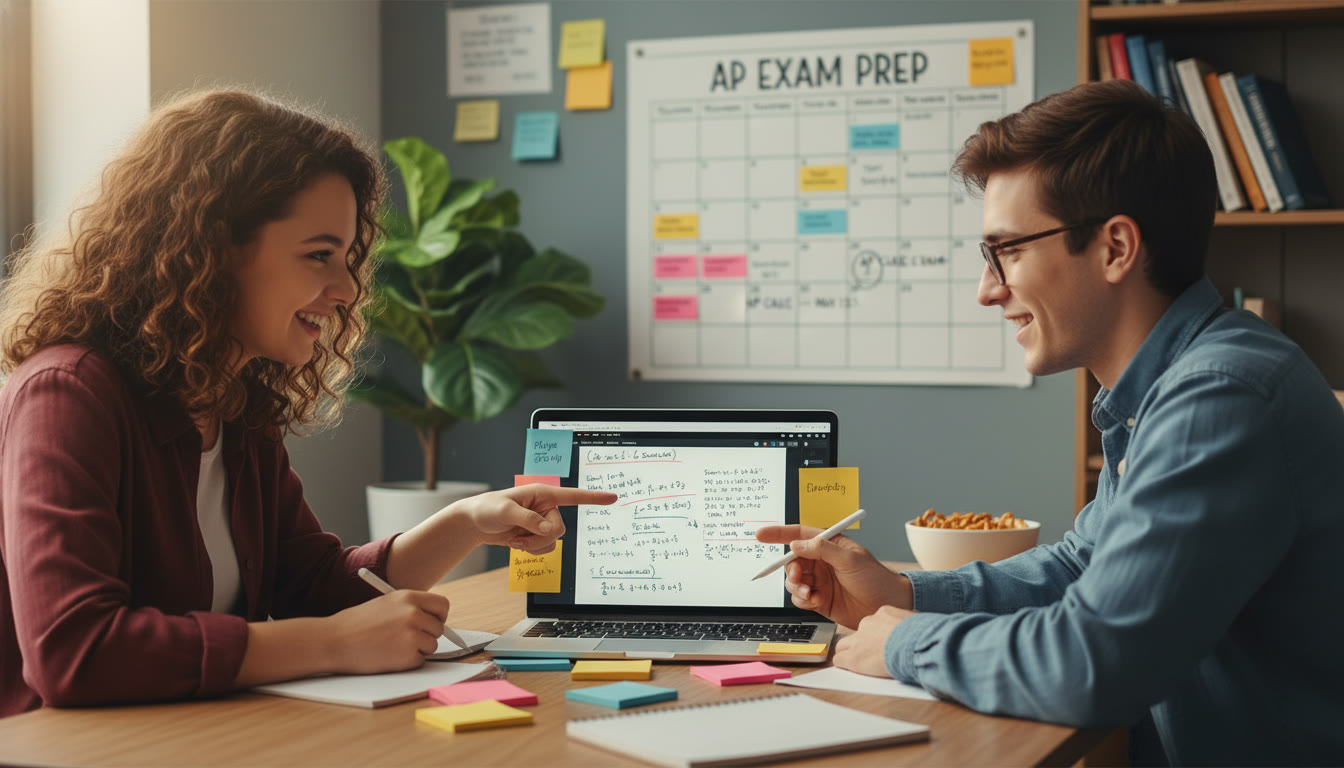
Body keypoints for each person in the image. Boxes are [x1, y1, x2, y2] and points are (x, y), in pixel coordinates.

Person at [757, 80, 1344, 765]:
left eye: (1005, 250)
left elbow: (1093, 661)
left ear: (1116, 247)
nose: (987, 289)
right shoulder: (1176, 383)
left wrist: (902, 641)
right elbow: (1080, 567)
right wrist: (903, 592)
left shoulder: (1219, 397)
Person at [0, 89, 615, 717]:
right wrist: (330, 643)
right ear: (210, 250)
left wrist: (464, 522)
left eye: (348, 258)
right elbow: (73, 653)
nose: (348, 289)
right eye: (319, 255)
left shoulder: (234, 402)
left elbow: (314, 587)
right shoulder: (68, 395)